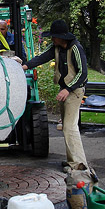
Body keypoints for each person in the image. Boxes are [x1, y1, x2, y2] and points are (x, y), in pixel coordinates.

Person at [22, 19, 88, 172]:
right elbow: (42, 57)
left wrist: (68, 89)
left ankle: (78, 165)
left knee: (70, 127)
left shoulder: (76, 48)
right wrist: (24, 66)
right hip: (66, 90)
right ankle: (72, 161)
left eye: (54, 36)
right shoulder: (57, 47)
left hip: (75, 91)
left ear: (62, 37)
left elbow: (83, 73)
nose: (51, 39)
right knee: (66, 126)